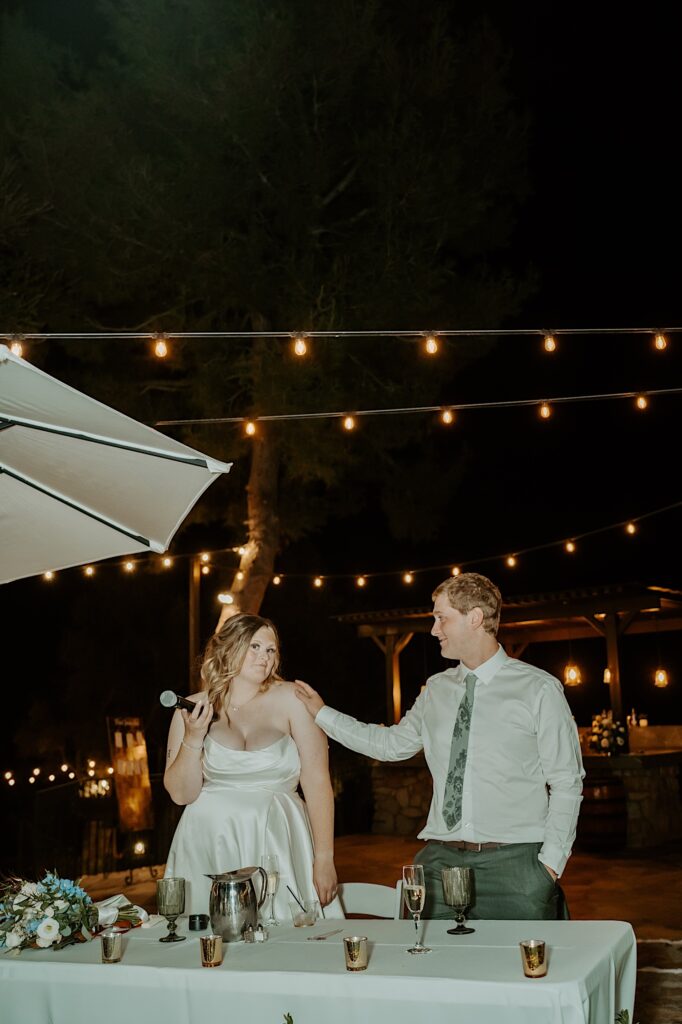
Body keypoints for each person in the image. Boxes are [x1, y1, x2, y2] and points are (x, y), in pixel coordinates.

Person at [295, 572, 584, 920]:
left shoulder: (539, 690)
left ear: (474, 617)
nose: (434, 630)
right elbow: (391, 745)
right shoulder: (435, 690)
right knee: (428, 965)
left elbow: (567, 781)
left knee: (521, 973)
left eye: (441, 618)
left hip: (516, 865)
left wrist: (549, 865)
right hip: (440, 862)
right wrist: (323, 714)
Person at [164, 613, 342, 919]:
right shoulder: (193, 708)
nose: (265, 657)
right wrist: (193, 737)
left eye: (271, 650)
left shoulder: (294, 700)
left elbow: (317, 782)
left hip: (278, 838)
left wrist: (324, 857)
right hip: (207, 839)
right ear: (228, 649)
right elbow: (181, 794)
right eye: (255, 646)